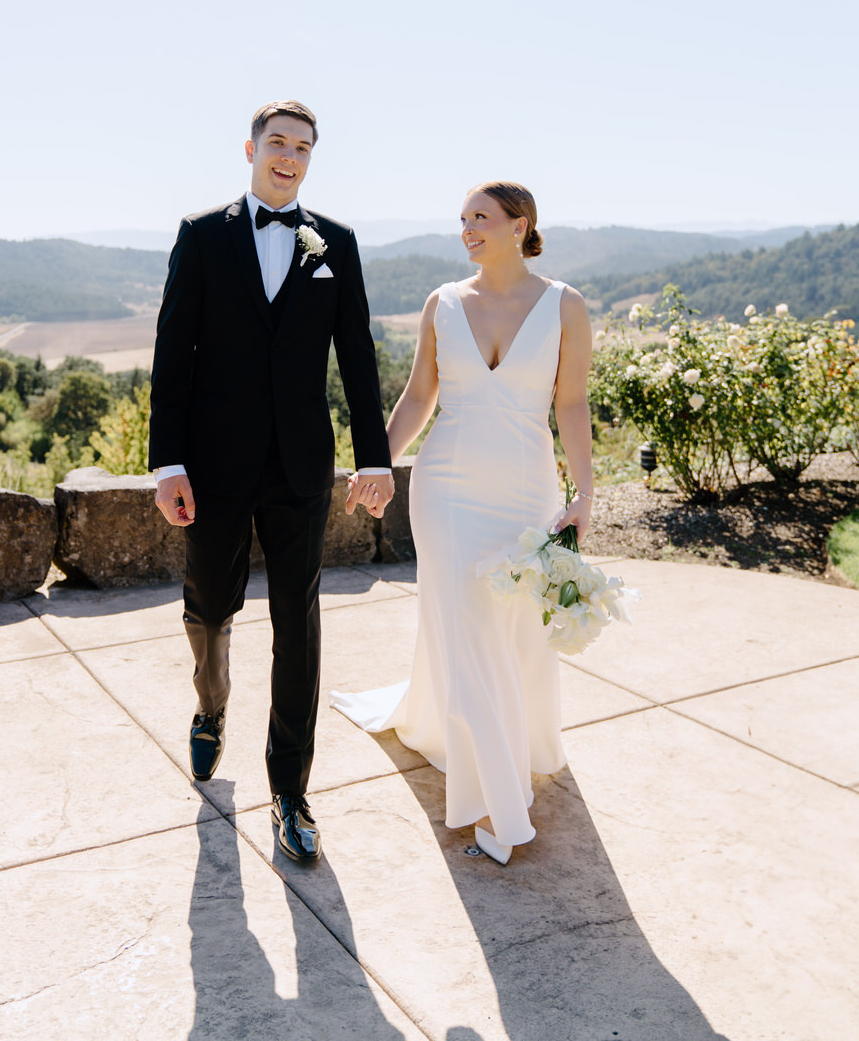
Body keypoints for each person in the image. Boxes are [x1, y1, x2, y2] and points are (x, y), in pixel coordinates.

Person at [150, 100, 393, 862]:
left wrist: (376, 456)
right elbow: (172, 355)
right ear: (250, 148)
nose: (289, 156)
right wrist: (169, 462)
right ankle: (210, 703)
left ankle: (290, 789)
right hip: (213, 467)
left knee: (300, 621)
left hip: (300, 468)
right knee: (210, 604)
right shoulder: (200, 236)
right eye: (278, 143)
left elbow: (356, 356)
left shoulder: (337, 244)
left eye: (303, 147)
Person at [332, 181, 593, 864]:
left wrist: (584, 491)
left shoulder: (566, 306)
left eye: (481, 217)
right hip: (446, 487)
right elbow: (420, 395)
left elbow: (571, 403)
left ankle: (509, 748)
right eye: (462, 220)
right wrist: (377, 464)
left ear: (520, 225)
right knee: (469, 626)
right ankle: (489, 806)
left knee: (510, 629)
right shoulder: (442, 304)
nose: (467, 229)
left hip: (527, 486)